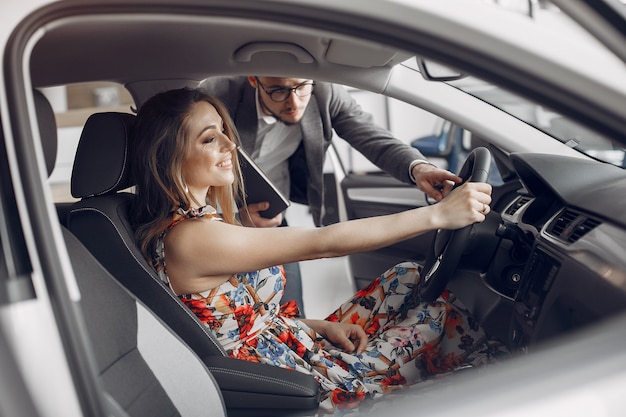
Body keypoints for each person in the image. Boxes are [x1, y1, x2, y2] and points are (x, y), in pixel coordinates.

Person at [129, 87, 508, 415]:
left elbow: (240, 316)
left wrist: (318, 326)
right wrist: (438, 214)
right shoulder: (190, 237)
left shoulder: (202, 220)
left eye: (226, 132)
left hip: (296, 344)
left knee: (407, 277)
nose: (231, 145)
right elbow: (322, 242)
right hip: (291, 381)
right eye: (210, 139)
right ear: (169, 155)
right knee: (478, 366)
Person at [200, 76, 460, 310]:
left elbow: (369, 134)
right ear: (254, 81)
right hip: (216, 221)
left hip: (272, 217)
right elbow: (185, 169)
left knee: (290, 308)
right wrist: (230, 216)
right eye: (278, 91)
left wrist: (418, 168)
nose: (294, 102)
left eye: (301, 87)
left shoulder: (324, 91)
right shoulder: (218, 96)